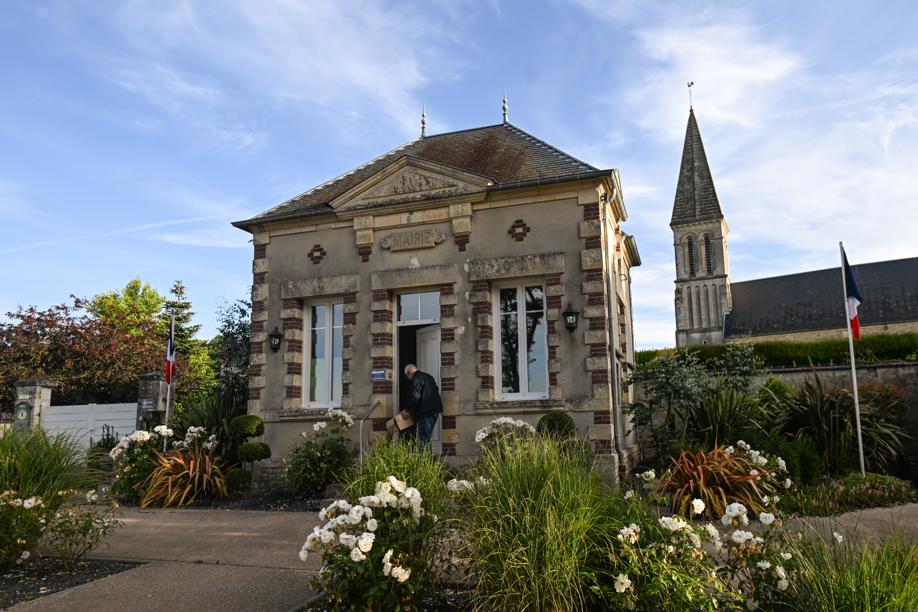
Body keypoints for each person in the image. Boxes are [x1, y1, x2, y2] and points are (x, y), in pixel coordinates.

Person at [403, 363, 442, 447]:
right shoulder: (429, 376)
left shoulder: (415, 379)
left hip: (426, 412)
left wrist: (407, 410)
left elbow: (415, 397)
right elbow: (436, 389)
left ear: (409, 373)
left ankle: (425, 455)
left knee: (424, 439)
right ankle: (427, 455)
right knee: (427, 437)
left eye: (407, 376)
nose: (408, 379)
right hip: (435, 410)